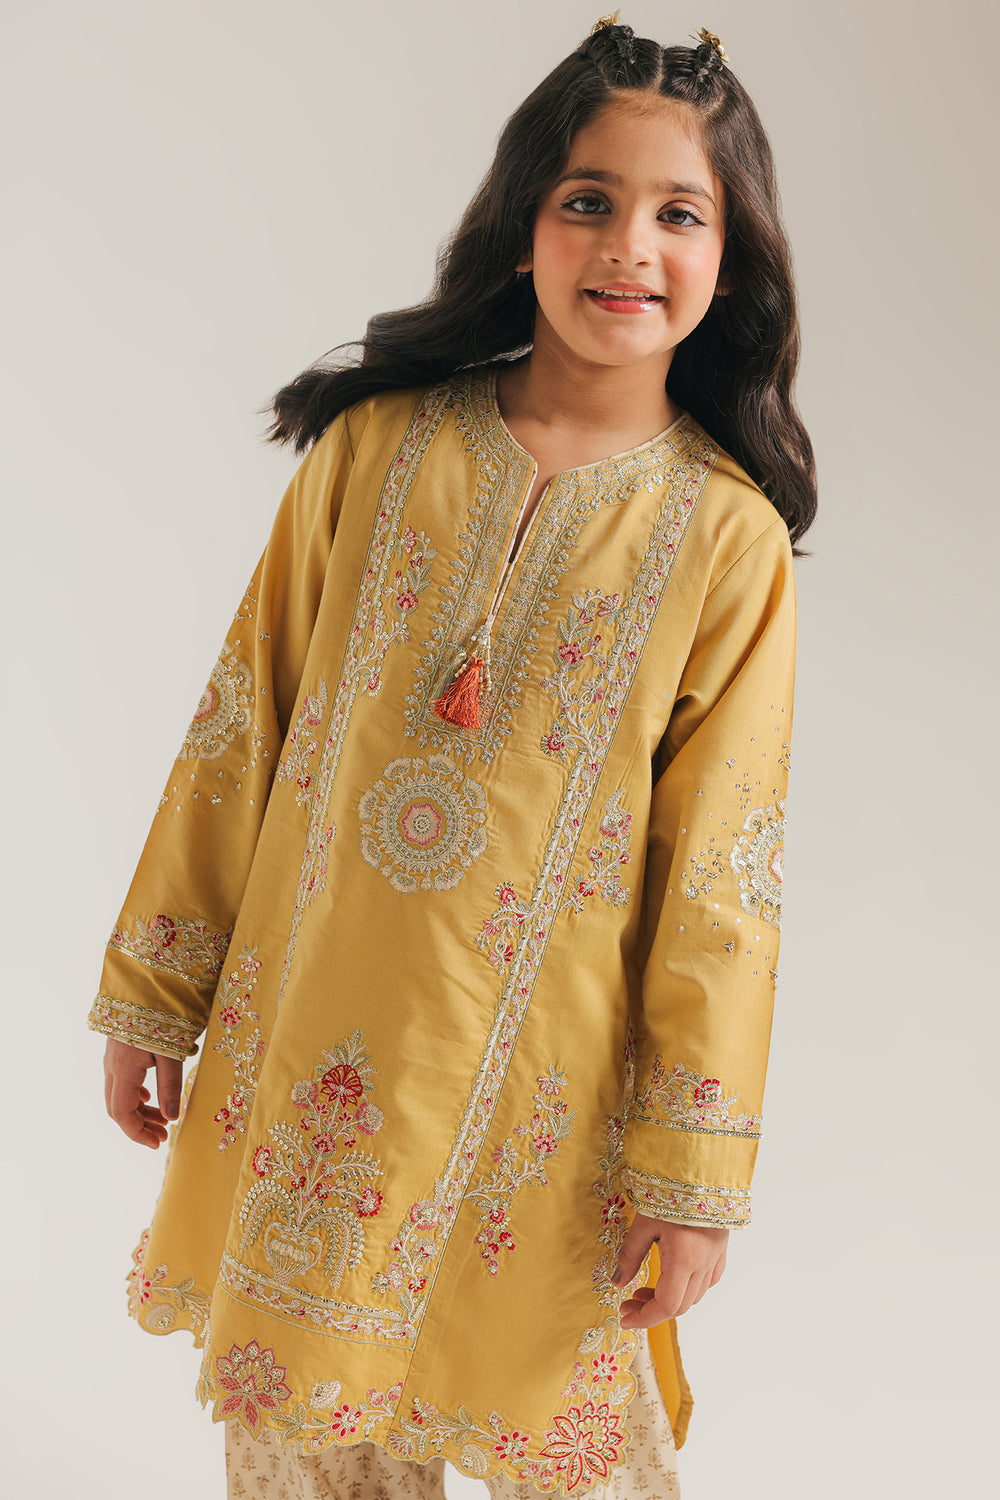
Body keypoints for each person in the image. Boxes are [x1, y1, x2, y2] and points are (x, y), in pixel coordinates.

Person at [90, 14, 816, 1498]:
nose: (630, 246)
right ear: (524, 223)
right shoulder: (375, 451)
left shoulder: (725, 539)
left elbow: (722, 884)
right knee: (310, 1460)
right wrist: (158, 990)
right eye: (589, 200)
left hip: (552, 1119)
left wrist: (691, 1172)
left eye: (680, 213)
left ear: (733, 260)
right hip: (315, 1072)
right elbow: (242, 727)